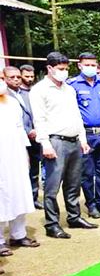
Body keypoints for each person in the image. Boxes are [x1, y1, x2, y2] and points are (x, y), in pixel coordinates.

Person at [30, 52, 97, 238]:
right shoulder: (40, 90)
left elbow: (77, 115)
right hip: (55, 141)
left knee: (74, 183)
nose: (64, 72)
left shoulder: (69, 89)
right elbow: (39, 119)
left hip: (74, 140)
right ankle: (52, 224)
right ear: (49, 68)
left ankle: (74, 217)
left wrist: (82, 139)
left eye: (67, 69)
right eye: (60, 69)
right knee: (52, 186)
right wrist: (45, 143)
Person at [68, 53, 100, 219]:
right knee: (87, 173)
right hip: (86, 135)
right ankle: (91, 204)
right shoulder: (72, 85)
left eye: (93, 65)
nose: (91, 68)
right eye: (87, 65)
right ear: (79, 66)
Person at [0, 77, 40, 259]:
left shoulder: (13, 103)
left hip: (15, 156)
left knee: (18, 193)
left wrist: (25, 154)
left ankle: (19, 235)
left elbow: (20, 130)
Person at [5, 66, 43, 209]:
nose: (16, 80)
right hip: (16, 139)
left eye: (17, 77)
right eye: (12, 77)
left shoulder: (27, 93)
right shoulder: (5, 96)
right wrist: (27, 131)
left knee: (34, 169)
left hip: (34, 138)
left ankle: (32, 198)